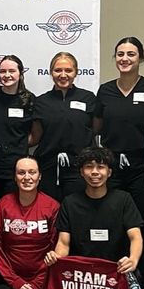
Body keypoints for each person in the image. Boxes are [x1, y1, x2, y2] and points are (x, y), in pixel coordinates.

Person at [94, 37, 144, 284]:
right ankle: (112, 280)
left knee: (142, 224)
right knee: (111, 222)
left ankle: (139, 284)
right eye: (120, 54)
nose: (125, 59)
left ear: (141, 58)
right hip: (112, 170)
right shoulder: (105, 90)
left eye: (131, 54)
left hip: (140, 169)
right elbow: (97, 126)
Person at [45, 146, 143, 289]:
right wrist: (56, 257)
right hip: (81, 277)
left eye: (101, 167)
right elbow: (63, 243)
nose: (95, 172)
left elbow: (136, 237)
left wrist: (133, 259)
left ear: (109, 172)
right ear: (81, 172)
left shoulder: (123, 200)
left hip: (117, 271)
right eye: (89, 167)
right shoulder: (70, 203)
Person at [0, 156, 60, 289]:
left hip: (41, 278)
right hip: (10, 277)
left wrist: (35, 285)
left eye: (32, 172)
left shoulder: (52, 207)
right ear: (15, 177)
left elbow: (56, 250)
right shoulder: (3, 204)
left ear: (39, 176)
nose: (27, 177)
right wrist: (16, 282)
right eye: (21, 173)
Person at [31, 52, 96, 202]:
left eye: (68, 70)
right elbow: (36, 135)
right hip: (49, 168)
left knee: (77, 212)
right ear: (50, 72)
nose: (63, 74)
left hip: (79, 168)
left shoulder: (88, 98)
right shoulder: (41, 102)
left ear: (76, 72)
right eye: (58, 70)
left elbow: (95, 129)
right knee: (50, 212)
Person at [0, 55, 36, 199]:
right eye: (3, 71)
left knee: (11, 209)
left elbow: (35, 134)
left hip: (16, 167)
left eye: (11, 71)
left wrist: (18, 145)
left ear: (20, 73)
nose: (7, 75)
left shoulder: (29, 99)